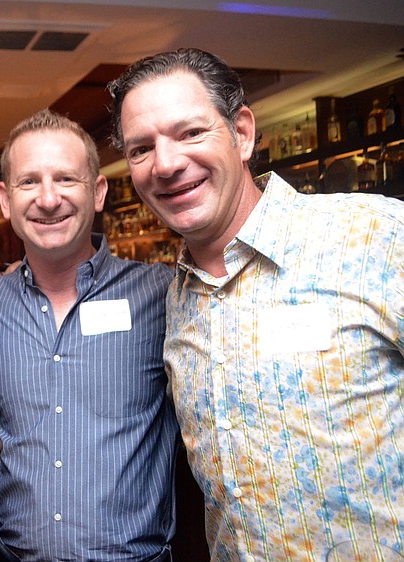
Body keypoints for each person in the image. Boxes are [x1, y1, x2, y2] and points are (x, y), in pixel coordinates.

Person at [109, 47, 404, 559]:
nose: (167, 163)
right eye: (141, 149)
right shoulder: (174, 296)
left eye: (190, 132)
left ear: (242, 133)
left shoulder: (374, 235)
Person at [0, 109, 179, 561]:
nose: (48, 200)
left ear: (98, 191)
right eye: (29, 182)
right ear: (6, 200)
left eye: (66, 179)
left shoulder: (161, 295)